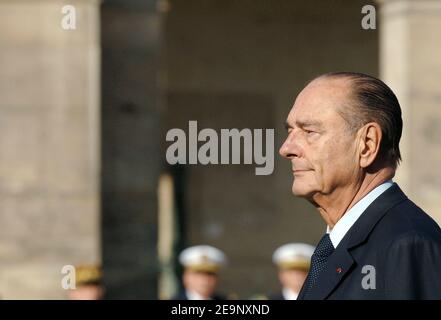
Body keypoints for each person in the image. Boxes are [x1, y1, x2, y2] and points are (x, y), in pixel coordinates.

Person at [279, 72, 441, 299]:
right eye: (290, 131)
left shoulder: (407, 246)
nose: (286, 148)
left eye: (309, 132)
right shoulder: (334, 247)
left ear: (367, 145)